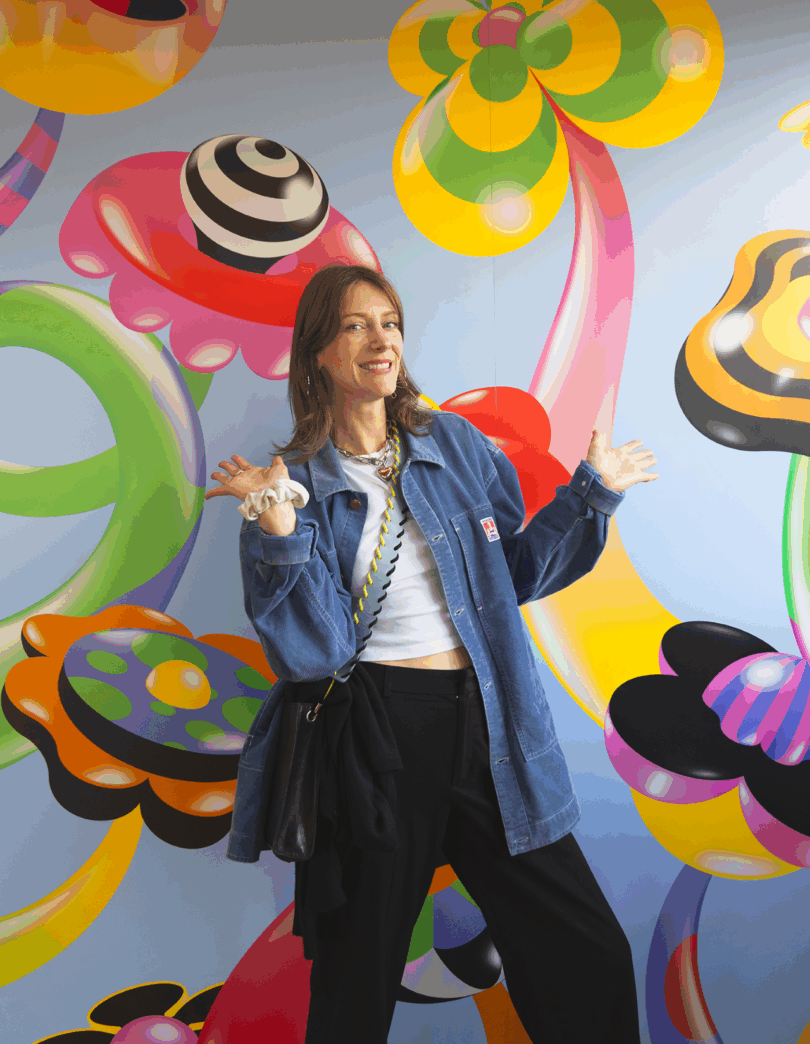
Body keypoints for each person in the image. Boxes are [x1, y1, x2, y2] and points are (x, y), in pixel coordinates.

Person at [206, 263, 658, 1043]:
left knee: (587, 952)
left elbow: (513, 573)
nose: (380, 340)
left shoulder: (454, 445)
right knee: (358, 975)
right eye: (355, 326)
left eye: (389, 323)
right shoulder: (292, 483)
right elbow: (314, 653)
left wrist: (591, 496)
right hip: (374, 736)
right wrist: (277, 531)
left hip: (488, 720)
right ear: (318, 353)